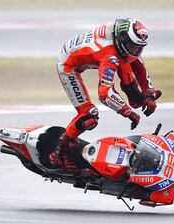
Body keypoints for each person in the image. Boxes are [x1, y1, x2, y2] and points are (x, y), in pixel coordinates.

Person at [51, 18, 161, 168]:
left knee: (133, 91)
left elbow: (138, 63)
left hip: (97, 50)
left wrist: (149, 94)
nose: (135, 51)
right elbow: (105, 94)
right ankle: (59, 151)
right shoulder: (109, 55)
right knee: (89, 115)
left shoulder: (123, 39)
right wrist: (127, 112)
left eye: (139, 48)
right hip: (68, 66)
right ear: (122, 39)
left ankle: (138, 98)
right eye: (132, 46)